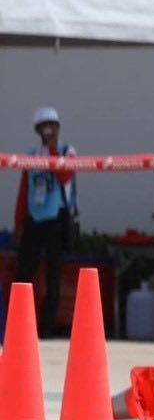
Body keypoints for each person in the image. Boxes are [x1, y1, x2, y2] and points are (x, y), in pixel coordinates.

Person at [12, 107, 78, 337]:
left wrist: (53, 150)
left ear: (58, 128)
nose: (49, 131)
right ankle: (19, 324)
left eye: (53, 126)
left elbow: (66, 177)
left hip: (57, 219)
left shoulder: (68, 152)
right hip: (34, 219)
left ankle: (46, 328)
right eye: (44, 127)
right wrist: (19, 223)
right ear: (38, 130)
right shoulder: (31, 156)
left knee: (54, 274)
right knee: (24, 272)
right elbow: (24, 191)